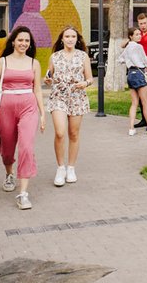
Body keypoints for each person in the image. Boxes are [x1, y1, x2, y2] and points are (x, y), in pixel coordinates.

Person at [0, 26, 45, 210]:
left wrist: (43, 114)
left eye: (27, 41)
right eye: (20, 40)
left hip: (29, 107)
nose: (23, 43)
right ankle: (9, 174)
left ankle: (23, 193)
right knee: (8, 148)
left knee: (26, 147)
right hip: (6, 107)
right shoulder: (2, 62)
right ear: (13, 42)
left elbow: (38, 90)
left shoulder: (34, 63)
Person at [45, 26, 94, 186]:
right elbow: (49, 75)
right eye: (67, 36)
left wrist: (85, 83)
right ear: (62, 39)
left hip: (77, 96)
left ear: (77, 39)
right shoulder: (54, 56)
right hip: (58, 96)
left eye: (73, 36)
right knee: (60, 133)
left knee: (73, 133)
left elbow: (90, 78)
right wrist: (47, 79)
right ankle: (60, 168)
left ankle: (71, 168)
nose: (70, 39)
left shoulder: (83, 56)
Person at [120, 27, 147, 135]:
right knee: (145, 103)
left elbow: (120, 59)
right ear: (131, 36)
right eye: (136, 34)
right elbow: (146, 61)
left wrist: (128, 61)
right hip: (139, 73)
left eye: (140, 34)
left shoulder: (127, 47)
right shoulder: (139, 47)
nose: (139, 36)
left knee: (134, 103)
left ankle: (131, 128)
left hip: (130, 74)